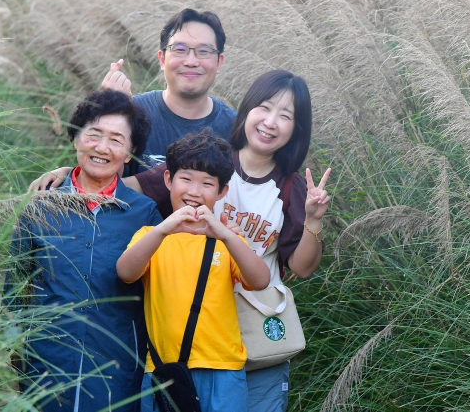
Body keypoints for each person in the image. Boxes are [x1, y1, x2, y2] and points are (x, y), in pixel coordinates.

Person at [125, 70, 332, 411]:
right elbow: (132, 188)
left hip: (258, 332)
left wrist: (313, 219)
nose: (270, 122)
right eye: (265, 107)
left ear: (296, 129)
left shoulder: (289, 186)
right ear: (247, 109)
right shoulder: (207, 161)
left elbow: (303, 267)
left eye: (285, 116)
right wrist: (71, 175)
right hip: (193, 338)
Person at [4, 90, 162, 412]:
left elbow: (158, 296)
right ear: (76, 138)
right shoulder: (39, 206)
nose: (102, 147)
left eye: (116, 140)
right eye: (94, 134)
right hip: (45, 368)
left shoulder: (145, 214)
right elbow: (15, 291)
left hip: (116, 372)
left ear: (130, 153)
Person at [116, 131, 270, 412]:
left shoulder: (229, 241)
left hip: (223, 368)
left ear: (222, 191)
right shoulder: (150, 235)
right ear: (168, 180)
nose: (195, 191)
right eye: (185, 179)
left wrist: (228, 236)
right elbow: (126, 272)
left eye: (207, 183)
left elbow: (260, 281)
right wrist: (162, 230)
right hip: (164, 370)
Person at [28, 8, 236, 190]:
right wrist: (109, 111)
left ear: (219, 62)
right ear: (162, 59)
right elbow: (104, 184)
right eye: (179, 50)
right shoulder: (134, 112)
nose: (191, 61)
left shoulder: (236, 128)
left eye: (203, 51)